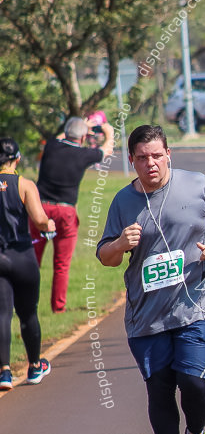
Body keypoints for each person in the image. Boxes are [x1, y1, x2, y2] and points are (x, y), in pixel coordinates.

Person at [97, 125, 205, 434]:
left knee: (192, 382)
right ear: (132, 161)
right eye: (142, 158)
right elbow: (105, 256)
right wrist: (119, 244)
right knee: (159, 390)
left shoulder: (196, 185)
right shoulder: (122, 202)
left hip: (196, 307)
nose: (150, 164)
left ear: (168, 154)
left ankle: (197, 432)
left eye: (157, 156)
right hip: (147, 316)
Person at [33, 116, 114, 312]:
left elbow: (63, 136)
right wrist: (109, 133)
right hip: (66, 211)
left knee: (33, 259)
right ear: (84, 137)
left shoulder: (52, 146)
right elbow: (107, 150)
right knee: (61, 264)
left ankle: (28, 304)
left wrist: (79, 126)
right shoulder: (84, 154)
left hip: (40, 209)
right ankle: (58, 307)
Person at [0, 138, 55, 390]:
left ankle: (4, 373)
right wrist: (49, 225)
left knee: (2, 315)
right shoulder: (24, 185)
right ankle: (34, 366)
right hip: (22, 256)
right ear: (18, 159)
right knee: (28, 313)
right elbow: (40, 220)